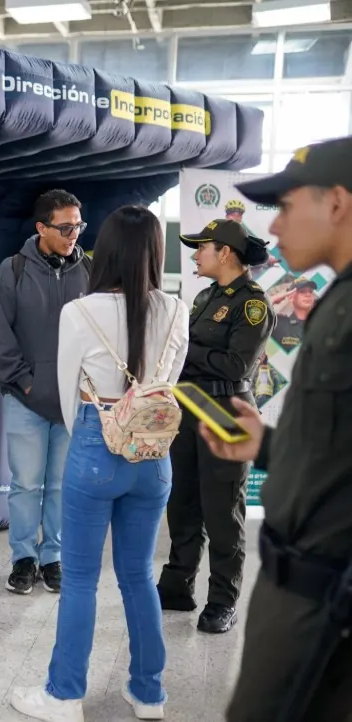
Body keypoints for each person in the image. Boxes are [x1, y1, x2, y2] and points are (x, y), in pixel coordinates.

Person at [10, 205, 189, 722]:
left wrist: (96, 435)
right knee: (138, 576)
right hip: (154, 457)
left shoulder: (80, 312)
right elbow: (166, 385)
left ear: (105, 250)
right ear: (156, 251)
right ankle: (149, 694)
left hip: (95, 447)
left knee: (82, 580)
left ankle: (65, 695)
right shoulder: (177, 309)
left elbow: (69, 396)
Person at [199, 137, 352, 722]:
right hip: (298, 592)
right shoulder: (340, 299)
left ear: (336, 203)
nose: (277, 224)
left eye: (288, 206)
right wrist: (267, 446)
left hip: (328, 602)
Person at [157, 219, 275, 635]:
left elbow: (236, 365)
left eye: (201, 248)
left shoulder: (253, 304)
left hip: (228, 409)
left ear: (225, 252)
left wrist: (189, 349)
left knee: (223, 510)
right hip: (191, 404)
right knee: (183, 501)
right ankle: (177, 585)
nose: (194, 255)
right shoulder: (205, 296)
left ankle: (223, 601)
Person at [0, 189, 92, 595]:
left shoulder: (92, 272)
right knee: (26, 483)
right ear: (41, 227)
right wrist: (26, 382)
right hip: (25, 398)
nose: (73, 234)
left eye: (78, 225)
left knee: (63, 484)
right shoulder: (11, 271)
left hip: (74, 402)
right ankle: (23, 559)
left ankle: (53, 558)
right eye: (65, 227)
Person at [270, 277, 317, 353]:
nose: (308, 294)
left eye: (311, 291)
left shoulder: (321, 324)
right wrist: (273, 301)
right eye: (302, 291)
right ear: (291, 297)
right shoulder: (278, 324)